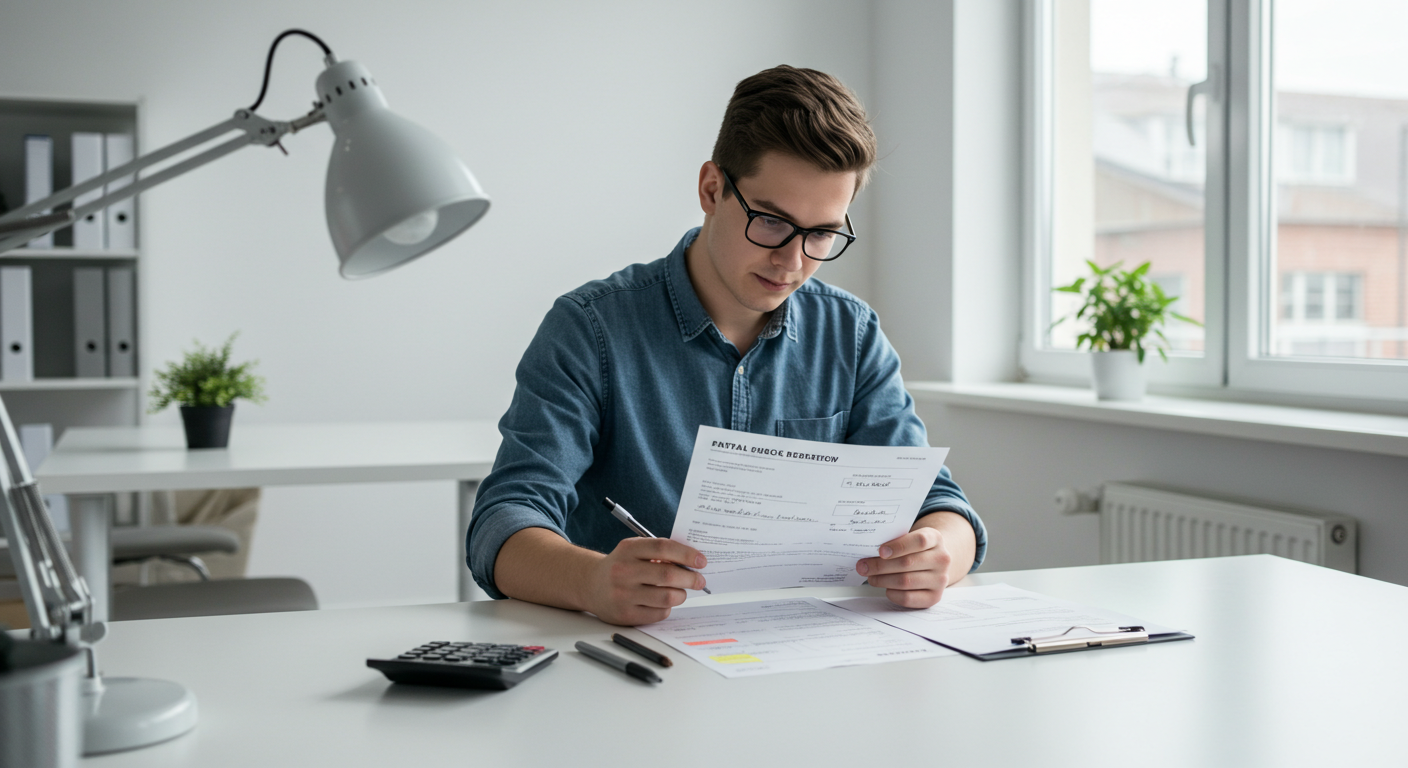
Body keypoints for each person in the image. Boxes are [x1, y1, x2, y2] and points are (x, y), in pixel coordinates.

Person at [467, 65, 987, 626]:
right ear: (712, 189)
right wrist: (592, 581)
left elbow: (938, 505)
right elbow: (503, 523)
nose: (793, 261)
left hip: (808, 654)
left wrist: (938, 555)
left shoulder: (851, 334)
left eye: (822, 234)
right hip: (637, 665)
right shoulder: (590, 328)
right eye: (770, 222)